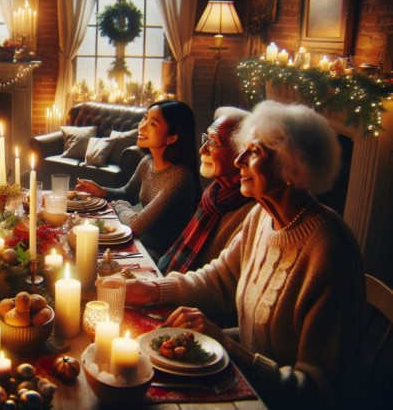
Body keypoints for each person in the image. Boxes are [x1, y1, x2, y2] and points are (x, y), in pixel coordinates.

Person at [125, 101, 364, 409]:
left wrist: (227, 347)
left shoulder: (329, 250)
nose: (238, 160)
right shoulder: (261, 218)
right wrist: (155, 289)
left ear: (293, 167)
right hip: (247, 378)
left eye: (254, 152)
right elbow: (219, 279)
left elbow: (319, 391)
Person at [76, 100, 200, 257]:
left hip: (160, 255)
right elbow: (128, 193)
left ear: (172, 138)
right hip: (140, 242)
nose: (141, 127)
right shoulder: (147, 162)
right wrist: (102, 191)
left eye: (153, 124)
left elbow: (136, 225)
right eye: (144, 118)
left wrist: (118, 205)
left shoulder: (179, 177)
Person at [157, 106, 254, 273]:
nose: (203, 150)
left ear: (241, 152)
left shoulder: (250, 213)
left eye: (213, 142)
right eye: (205, 139)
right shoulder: (213, 195)